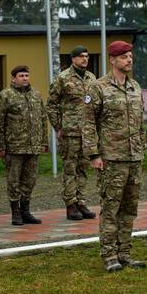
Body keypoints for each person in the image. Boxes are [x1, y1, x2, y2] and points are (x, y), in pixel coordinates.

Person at [83, 41, 147, 272]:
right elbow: (88, 123)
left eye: (130, 56)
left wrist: (142, 149)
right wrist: (93, 154)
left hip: (134, 157)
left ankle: (125, 253)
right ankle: (109, 255)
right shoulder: (98, 88)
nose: (128, 60)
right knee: (111, 208)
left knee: (130, 208)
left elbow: (139, 123)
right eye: (123, 57)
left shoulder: (135, 87)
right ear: (112, 60)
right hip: (111, 158)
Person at [0, 65, 48, 226]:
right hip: (14, 146)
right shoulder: (5, 96)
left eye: (26, 75)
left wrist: (44, 141)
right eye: (21, 76)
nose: (24, 78)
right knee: (14, 180)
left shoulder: (36, 95)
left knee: (30, 180)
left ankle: (25, 210)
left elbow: (43, 119)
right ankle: (15, 212)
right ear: (13, 78)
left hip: (33, 146)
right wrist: (0, 146)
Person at [47, 45, 97, 221]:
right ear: (73, 59)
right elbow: (52, 105)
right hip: (70, 132)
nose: (85, 59)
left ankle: (81, 201)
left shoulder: (91, 78)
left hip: (87, 133)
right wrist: (58, 127)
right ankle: (70, 204)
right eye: (81, 56)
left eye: (87, 56)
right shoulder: (63, 78)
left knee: (83, 169)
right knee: (70, 169)